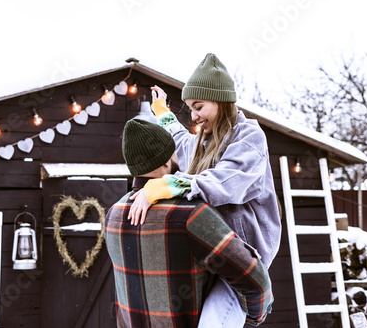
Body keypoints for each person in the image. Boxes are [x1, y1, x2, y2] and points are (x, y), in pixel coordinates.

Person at [128, 53, 281, 326]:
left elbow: (225, 180)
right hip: (210, 249)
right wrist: (163, 112)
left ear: (221, 101)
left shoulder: (250, 137)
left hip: (243, 254)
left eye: (199, 107)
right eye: (190, 109)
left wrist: (167, 184)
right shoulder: (204, 140)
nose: (194, 116)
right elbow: (180, 141)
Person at [105, 118, 273, 327]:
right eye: (175, 152)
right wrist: (255, 315)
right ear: (166, 162)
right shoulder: (192, 214)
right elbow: (253, 278)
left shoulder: (113, 214)